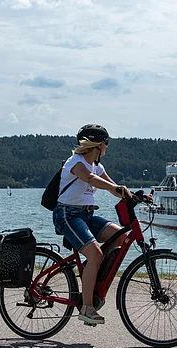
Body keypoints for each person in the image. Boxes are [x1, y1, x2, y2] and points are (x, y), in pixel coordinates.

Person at [52, 124, 132, 325]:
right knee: (96, 253)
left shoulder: (98, 167)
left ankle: (91, 268)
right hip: (67, 215)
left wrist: (133, 195)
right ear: (98, 145)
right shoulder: (75, 162)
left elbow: (113, 188)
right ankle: (87, 308)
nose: (107, 147)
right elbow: (89, 179)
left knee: (121, 236)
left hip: (87, 215)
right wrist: (116, 188)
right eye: (106, 143)